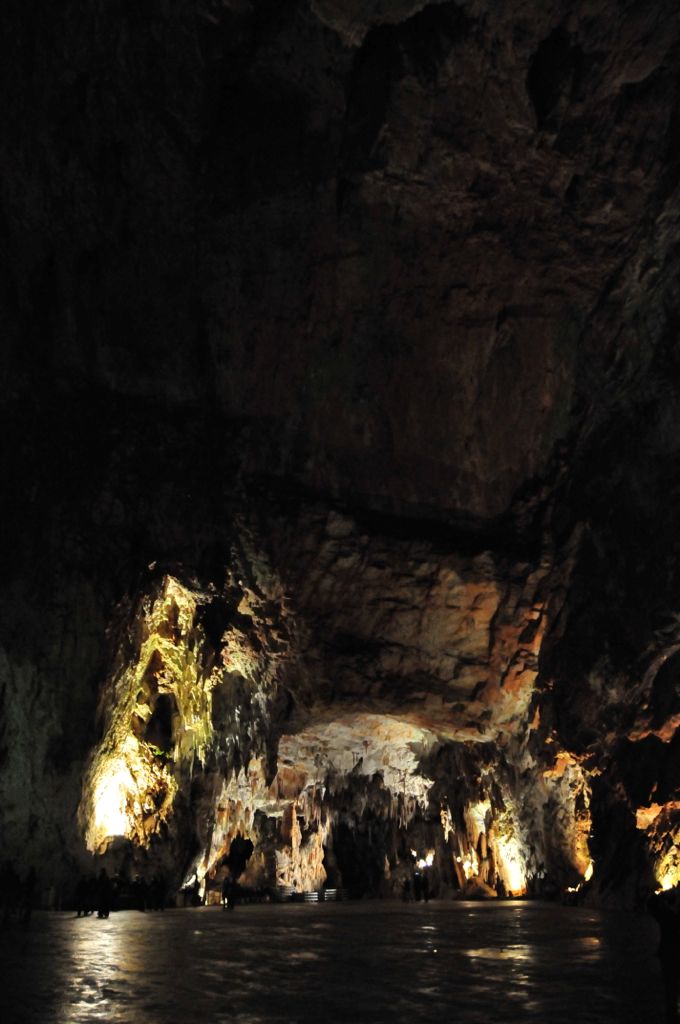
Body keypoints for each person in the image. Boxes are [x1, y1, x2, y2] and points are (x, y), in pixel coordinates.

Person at [649, 886, 680, 1021]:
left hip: (669, 957)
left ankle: (671, 1016)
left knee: (670, 993)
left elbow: (651, 905)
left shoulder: (668, 918)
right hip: (671, 957)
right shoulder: (670, 917)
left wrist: (662, 895)